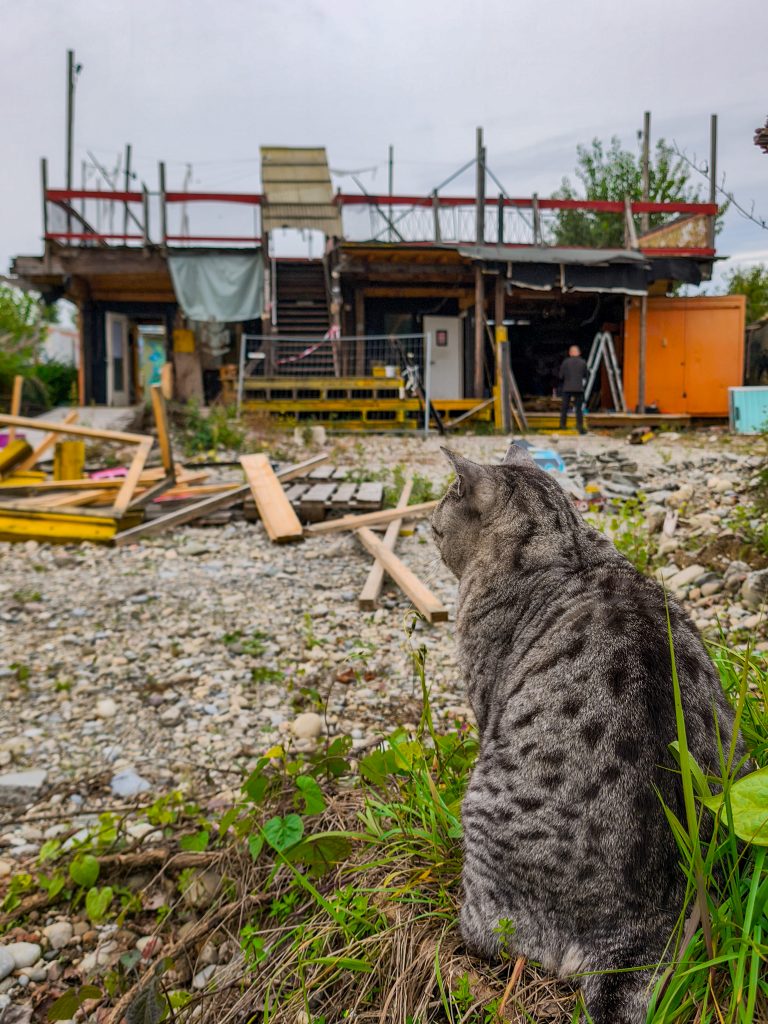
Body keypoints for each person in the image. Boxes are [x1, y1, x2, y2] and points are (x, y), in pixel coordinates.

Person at [558, 344, 588, 434]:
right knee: (579, 409)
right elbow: (586, 375)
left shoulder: (565, 362)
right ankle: (579, 426)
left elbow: (561, 376)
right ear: (579, 353)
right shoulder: (583, 362)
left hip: (567, 388)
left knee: (564, 408)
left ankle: (563, 425)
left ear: (570, 353)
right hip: (579, 388)